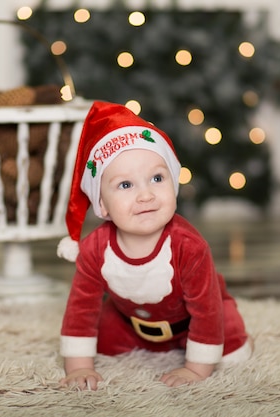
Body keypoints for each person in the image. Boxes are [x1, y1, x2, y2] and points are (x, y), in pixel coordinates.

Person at [56, 101, 252, 390]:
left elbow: (205, 309)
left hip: (191, 321)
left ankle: (211, 349)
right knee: (100, 333)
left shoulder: (188, 246)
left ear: (173, 184)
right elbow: (81, 307)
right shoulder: (95, 248)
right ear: (101, 204)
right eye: (125, 185)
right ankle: (139, 344)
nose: (146, 195)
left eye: (157, 179)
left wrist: (195, 370)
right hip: (132, 320)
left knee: (230, 344)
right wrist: (79, 368)